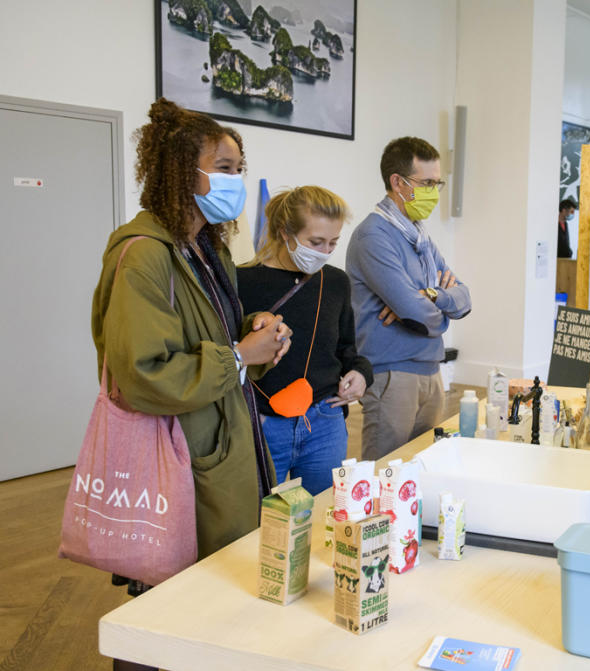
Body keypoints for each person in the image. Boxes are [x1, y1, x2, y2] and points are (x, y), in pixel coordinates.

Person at [91, 98, 291, 670]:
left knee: (210, 598)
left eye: (237, 168)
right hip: (177, 458)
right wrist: (236, 353)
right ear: (182, 171)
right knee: (164, 607)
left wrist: (257, 339)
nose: (236, 180)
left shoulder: (208, 250)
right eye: (224, 168)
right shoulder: (144, 257)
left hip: (222, 445)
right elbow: (143, 374)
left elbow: (217, 345)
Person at [237, 187, 373, 495]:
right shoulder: (240, 283)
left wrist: (361, 374)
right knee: (256, 526)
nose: (324, 251)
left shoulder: (335, 282)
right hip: (262, 423)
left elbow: (347, 350)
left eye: (333, 242)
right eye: (315, 242)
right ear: (286, 233)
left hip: (324, 421)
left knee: (325, 520)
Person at [346, 137, 472, 461]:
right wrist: (431, 306)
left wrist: (431, 295)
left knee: (422, 470)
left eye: (437, 183)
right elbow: (418, 316)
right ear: (398, 183)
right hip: (391, 375)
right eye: (427, 183)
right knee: (385, 474)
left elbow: (464, 297)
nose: (433, 191)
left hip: (430, 370)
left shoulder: (420, 237)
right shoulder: (373, 236)